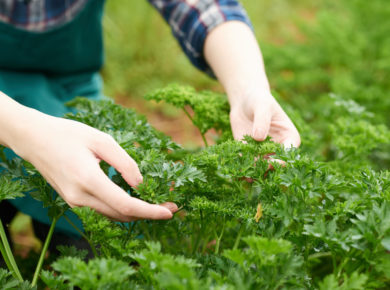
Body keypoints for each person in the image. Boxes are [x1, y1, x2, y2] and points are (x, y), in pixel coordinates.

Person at [0, 0, 300, 248]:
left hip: (68, 92)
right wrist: (28, 133)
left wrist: (248, 87)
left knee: (105, 240)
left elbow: (205, 7)